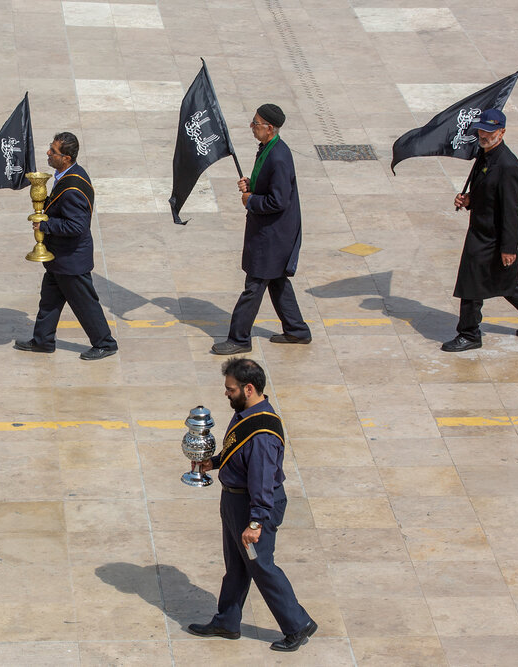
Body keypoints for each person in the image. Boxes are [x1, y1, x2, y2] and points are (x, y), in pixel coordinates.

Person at [187, 358, 317, 652]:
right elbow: (236, 451)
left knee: (261, 565)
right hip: (234, 501)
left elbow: (261, 480)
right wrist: (215, 462)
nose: (226, 393)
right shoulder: (246, 413)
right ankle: (227, 621)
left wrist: (256, 523)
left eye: (230, 389)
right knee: (236, 565)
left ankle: (297, 625)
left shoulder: (262, 434)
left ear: (248, 388)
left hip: (252, 507)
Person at [442, 108, 518, 352]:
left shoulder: (507, 165)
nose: (484, 135)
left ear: (502, 132)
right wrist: (469, 200)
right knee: (506, 281)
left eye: (490, 131)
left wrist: (508, 248)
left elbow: (512, 211)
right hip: (480, 230)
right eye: (482, 130)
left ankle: (469, 334)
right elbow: (488, 195)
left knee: (471, 282)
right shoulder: (484, 155)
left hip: (492, 238)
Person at [211, 104, 310, 355]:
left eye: (255, 123)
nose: (252, 127)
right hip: (270, 232)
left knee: (254, 285)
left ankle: (239, 338)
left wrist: (250, 200)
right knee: (276, 281)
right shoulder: (268, 148)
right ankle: (297, 330)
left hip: (274, 235)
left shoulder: (279, 156)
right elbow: (268, 186)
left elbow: (279, 200)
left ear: (269, 128)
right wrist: (251, 184)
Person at [14, 132, 117, 360]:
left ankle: (105, 343)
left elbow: (77, 226)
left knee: (85, 304)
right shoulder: (66, 176)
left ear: (66, 158)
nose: (48, 153)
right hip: (58, 257)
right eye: (50, 148)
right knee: (49, 300)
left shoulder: (72, 189)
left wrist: (46, 225)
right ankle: (42, 340)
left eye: (53, 151)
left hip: (71, 260)